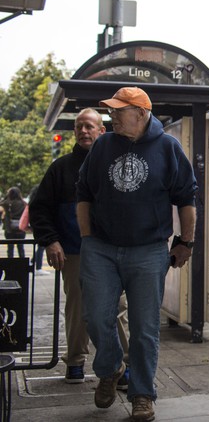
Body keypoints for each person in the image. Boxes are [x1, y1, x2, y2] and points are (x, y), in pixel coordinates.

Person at [77, 86, 197, 422]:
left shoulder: (168, 148)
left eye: (118, 111)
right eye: (111, 111)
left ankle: (142, 394)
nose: (111, 116)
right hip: (100, 248)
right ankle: (110, 368)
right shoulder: (102, 145)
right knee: (96, 318)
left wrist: (185, 242)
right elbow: (83, 193)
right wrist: (87, 238)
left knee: (145, 329)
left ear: (141, 113)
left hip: (148, 250)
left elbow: (187, 198)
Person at [30, 108, 132, 386]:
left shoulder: (120, 164)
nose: (83, 131)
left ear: (102, 130)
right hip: (75, 251)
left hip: (113, 251)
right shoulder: (60, 168)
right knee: (77, 307)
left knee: (117, 306)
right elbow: (40, 209)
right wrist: (51, 241)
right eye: (79, 127)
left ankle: (125, 364)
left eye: (89, 126)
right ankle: (75, 360)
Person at [1, 187, 26, 258]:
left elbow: (1, 203)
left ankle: (10, 266)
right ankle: (22, 266)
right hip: (21, 229)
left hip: (9, 229)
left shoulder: (7, 203)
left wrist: (6, 196)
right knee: (21, 248)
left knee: (10, 249)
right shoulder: (23, 203)